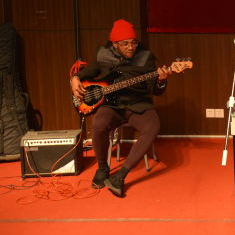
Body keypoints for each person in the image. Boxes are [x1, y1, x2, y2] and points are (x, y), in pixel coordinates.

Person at [70, 19, 171, 197]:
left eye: (134, 42)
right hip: (112, 105)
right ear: (115, 44)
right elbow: (88, 71)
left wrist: (161, 81)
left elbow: (155, 91)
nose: (131, 47)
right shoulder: (104, 55)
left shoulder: (146, 57)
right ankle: (103, 168)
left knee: (153, 126)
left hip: (138, 104)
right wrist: (75, 79)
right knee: (99, 124)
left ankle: (121, 175)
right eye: (125, 44)